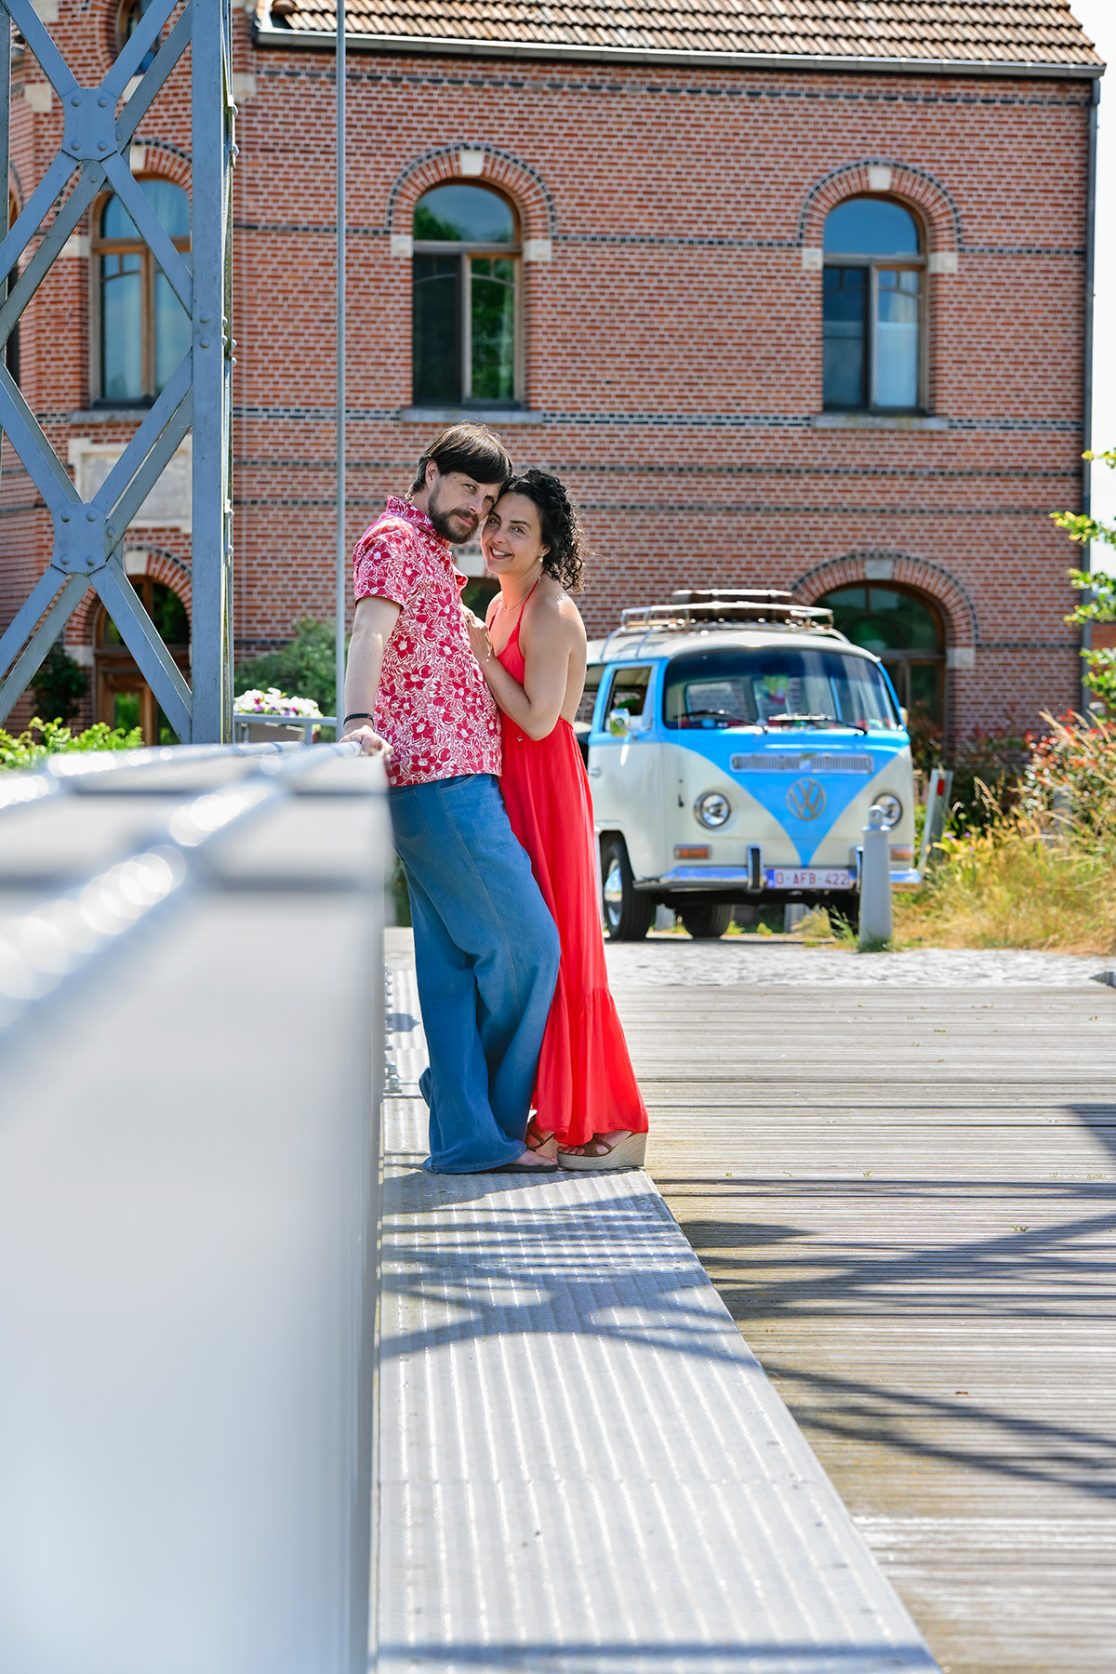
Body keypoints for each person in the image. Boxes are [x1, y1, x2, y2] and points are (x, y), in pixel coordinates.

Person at [341, 426, 561, 1175]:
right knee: (530, 947)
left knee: (450, 970)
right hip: (440, 782)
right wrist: (357, 719)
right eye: (469, 490)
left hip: (448, 780)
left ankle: (467, 1134)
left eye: (489, 501)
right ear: (430, 471)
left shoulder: (429, 549)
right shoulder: (395, 541)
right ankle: (481, 1112)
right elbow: (369, 632)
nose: (478, 511)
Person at [465, 469, 649, 1170]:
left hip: (545, 788)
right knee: (529, 946)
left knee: (561, 947)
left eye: (519, 529)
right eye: (495, 522)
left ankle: (606, 1118)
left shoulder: (549, 611)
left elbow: (544, 720)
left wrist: (483, 659)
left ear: (546, 545)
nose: (498, 538)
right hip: (514, 785)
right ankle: (552, 1107)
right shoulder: (500, 602)